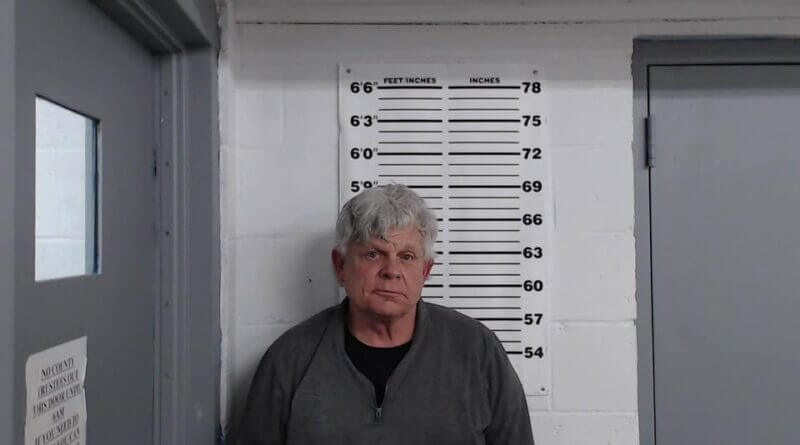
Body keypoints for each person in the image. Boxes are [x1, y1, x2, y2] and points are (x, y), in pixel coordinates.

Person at [238, 184, 534, 445]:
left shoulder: (477, 351)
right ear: (340, 265)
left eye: (406, 257)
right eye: (373, 254)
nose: (391, 271)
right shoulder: (290, 359)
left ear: (425, 271)